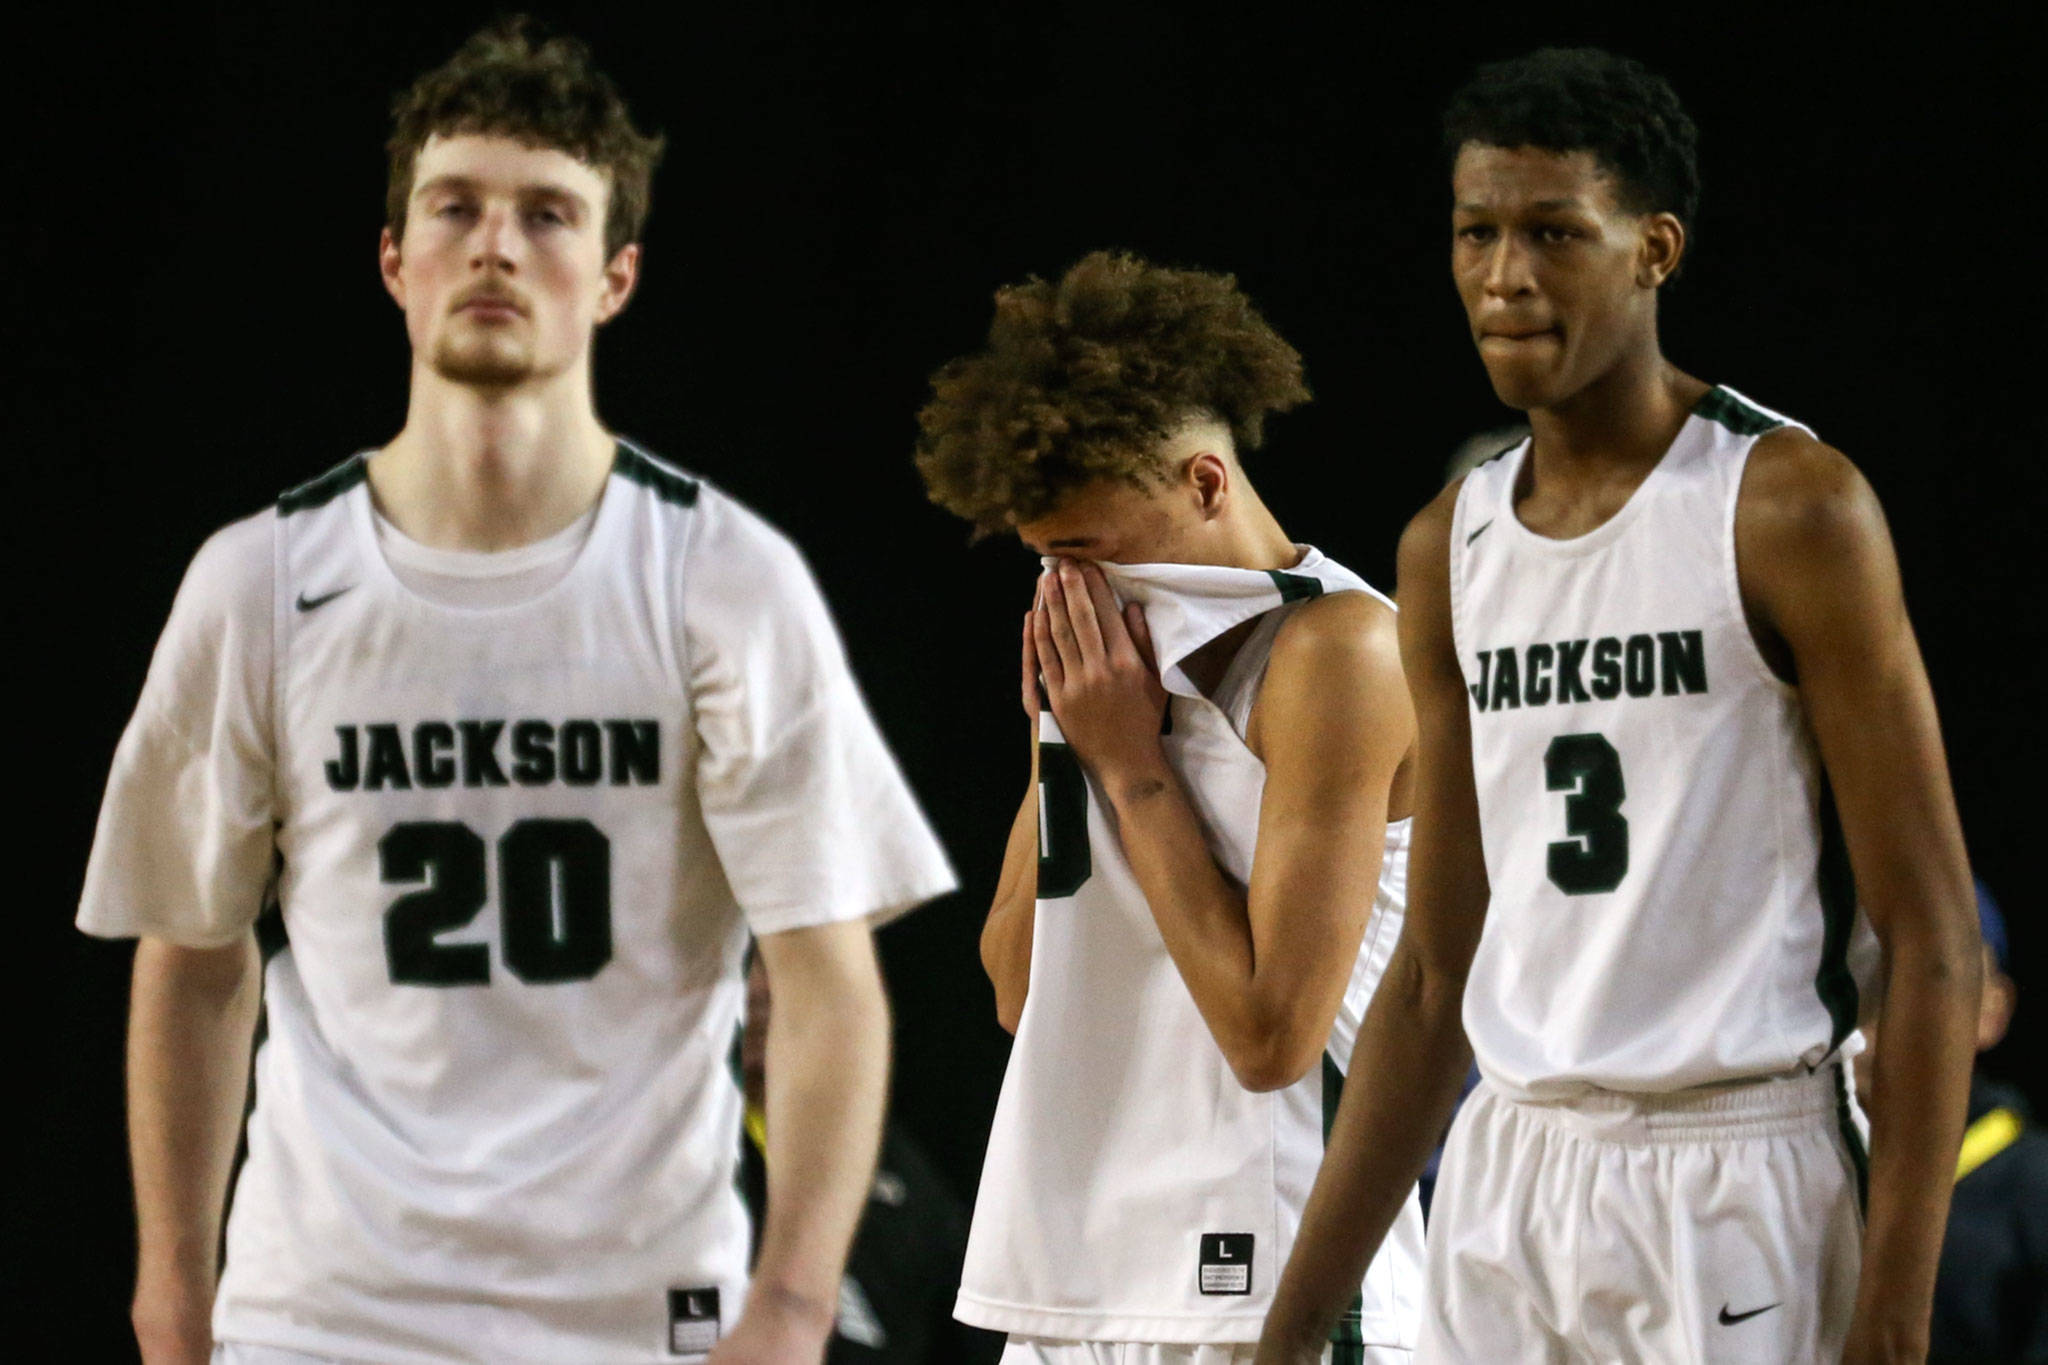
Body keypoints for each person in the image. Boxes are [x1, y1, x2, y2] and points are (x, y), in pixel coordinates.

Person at [78, 20, 953, 1365]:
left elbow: (827, 976)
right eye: (456, 206)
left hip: (638, 1305)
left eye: (547, 213)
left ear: (616, 275)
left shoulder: (720, 575)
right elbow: (195, 961)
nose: (496, 244)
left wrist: (787, 1306)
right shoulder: (257, 582)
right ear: (395, 259)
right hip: (324, 1310)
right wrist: (170, 1293)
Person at [1256, 47, 1981, 1365]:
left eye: (1551, 232)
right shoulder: (1448, 547)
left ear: (1654, 248)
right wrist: (1293, 1328)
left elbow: (1931, 938)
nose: (1503, 274)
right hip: (1514, 1165)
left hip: (1740, 1167)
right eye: (1475, 232)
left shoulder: (1788, 507)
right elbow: (1430, 976)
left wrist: (1896, 1312)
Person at [916, 250, 1423, 1365]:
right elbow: (1017, 992)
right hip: (1085, 1280)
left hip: (1277, 1279)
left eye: (1084, 551)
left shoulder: (1339, 650)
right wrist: (1058, 741)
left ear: (1203, 482)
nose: (1065, 589)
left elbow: (1270, 1036)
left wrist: (1133, 767)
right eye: (1041, 560)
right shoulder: (1113, 666)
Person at [737, 955, 1003, 1365]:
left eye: (779, 971)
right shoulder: (695, 1151)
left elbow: (962, 1304)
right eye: (752, 969)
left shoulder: (888, 1160)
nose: (761, 991)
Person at [1857, 881, 2046, 1364]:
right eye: (1863, 974)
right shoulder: (1782, 1168)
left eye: (1931, 975)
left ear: (1993, 1009)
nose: (1891, 1001)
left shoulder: (2033, 1187)